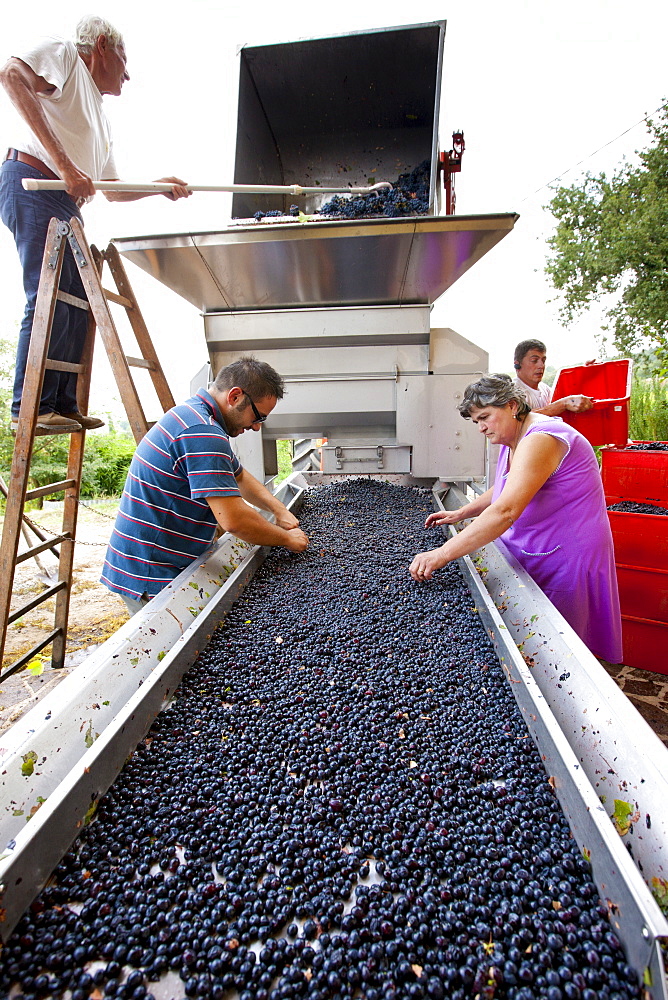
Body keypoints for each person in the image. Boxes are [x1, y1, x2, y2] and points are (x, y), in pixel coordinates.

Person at [0, 16, 191, 436]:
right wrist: (66, 166)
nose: (128, 72)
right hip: (34, 184)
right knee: (47, 293)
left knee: (76, 300)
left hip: (67, 198)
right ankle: (28, 407)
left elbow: (113, 190)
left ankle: (60, 404)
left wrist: (159, 187)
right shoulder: (66, 57)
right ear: (101, 45)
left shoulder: (99, 118)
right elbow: (11, 76)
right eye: (124, 59)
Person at [409, 374, 623, 663]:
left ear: (511, 406)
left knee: (560, 651)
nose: (481, 427)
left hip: (567, 556)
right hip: (540, 546)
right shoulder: (516, 437)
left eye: (485, 417)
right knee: (539, 639)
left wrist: (442, 554)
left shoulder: (542, 438)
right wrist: (462, 512)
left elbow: (506, 510)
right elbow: (508, 484)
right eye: (475, 422)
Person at [101, 357, 309, 615]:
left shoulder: (198, 417)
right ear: (235, 396)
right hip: (152, 571)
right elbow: (234, 521)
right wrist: (286, 539)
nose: (256, 427)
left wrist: (279, 510)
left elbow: (240, 476)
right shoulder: (201, 432)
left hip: (158, 560)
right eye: (258, 417)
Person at [513, 338, 594, 416]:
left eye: (543, 361)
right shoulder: (512, 392)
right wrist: (563, 404)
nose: (541, 366)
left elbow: (566, 399)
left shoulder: (545, 389)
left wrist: (583, 372)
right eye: (534, 360)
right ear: (517, 364)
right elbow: (520, 419)